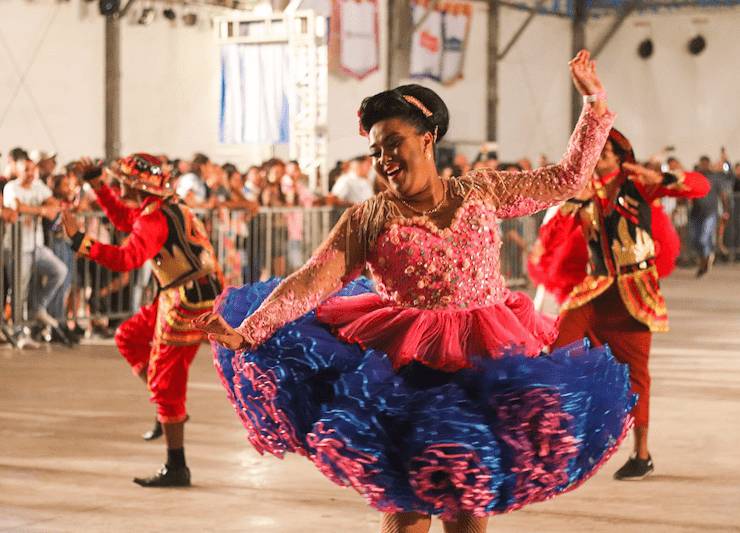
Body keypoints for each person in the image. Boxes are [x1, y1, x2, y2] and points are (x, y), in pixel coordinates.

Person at [197, 51, 633, 532]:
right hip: (405, 371)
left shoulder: (482, 192)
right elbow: (312, 279)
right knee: (406, 508)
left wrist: (594, 100)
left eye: (393, 144)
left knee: (467, 501)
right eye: (376, 152)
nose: (384, 160)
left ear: (427, 140)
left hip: (483, 360)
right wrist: (249, 330)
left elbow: (567, 179)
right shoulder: (367, 219)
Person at [550, 130, 709, 481]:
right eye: (596, 149)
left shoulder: (638, 184)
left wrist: (664, 177)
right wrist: (572, 203)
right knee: (559, 356)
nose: (600, 154)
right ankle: (568, 441)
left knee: (637, 377)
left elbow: (700, 187)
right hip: (593, 293)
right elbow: (552, 236)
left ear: (622, 157)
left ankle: (641, 453)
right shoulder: (581, 191)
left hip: (634, 294)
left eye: (607, 149)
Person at [61, 154, 223, 487]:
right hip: (181, 296)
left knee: (167, 382)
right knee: (129, 336)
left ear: (137, 187)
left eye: (123, 182)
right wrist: (96, 184)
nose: (119, 187)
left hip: (185, 304)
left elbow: (126, 258)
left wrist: (80, 241)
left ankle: (176, 464)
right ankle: (166, 408)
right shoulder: (163, 206)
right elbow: (124, 219)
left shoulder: (154, 219)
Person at [2, 155, 68, 335]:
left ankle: (37, 308)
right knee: (18, 289)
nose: (31, 174)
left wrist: (43, 208)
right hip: (17, 247)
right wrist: (41, 210)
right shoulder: (11, 187)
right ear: (19, 171)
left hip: (36, 246)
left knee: (59, 270)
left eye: (33, 170)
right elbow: (17, 207)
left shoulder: (39, 187)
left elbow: (54, 205)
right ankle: (16, 330)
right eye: (26, 170)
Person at [690, 155, 729, 276]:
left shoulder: (715, 178)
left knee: (704, 238)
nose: (704, 166)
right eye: (702, 164)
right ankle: (704, 259)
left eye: (706, 164)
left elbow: (723, 194)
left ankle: (706, 259)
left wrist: (726, 210)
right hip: (695, 213)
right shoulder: (695, 177)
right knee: (695, 239)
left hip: (710, 213)